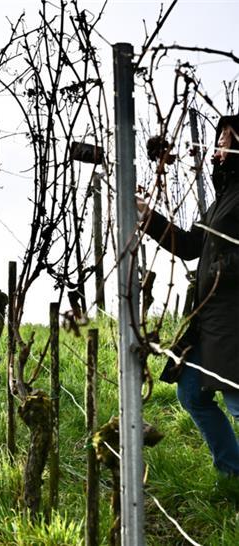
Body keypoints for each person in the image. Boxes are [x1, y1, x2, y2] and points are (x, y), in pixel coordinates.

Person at [138, 115, 239, 484]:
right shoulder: (223, 200)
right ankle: (232, 473)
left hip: (233, 319)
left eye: (225, 138)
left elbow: (223, 260)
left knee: (236, 402)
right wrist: (148, 218)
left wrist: (221, 271)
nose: (217, 147)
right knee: (192, 392)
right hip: (209, 318)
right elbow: (194, 246)